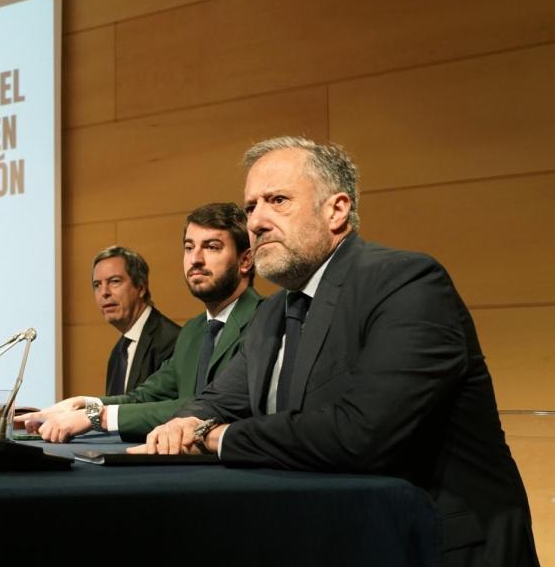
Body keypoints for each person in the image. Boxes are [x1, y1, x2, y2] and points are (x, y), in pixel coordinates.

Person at [135, 137, 539, 566]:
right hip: (338, 537)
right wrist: (186, 423)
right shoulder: (274, 311)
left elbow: (363, 433)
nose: (256, 221)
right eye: (251, 206)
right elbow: (220, 398)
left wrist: (218, 437)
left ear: (337, 210)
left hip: (436, 545)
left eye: (277, 200)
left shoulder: (407, 281)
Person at [20, 203, 261, 442]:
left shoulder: (264, 320)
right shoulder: (194, 331)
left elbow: (206, 405)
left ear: (245, 260)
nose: (195, 259)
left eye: (212, 247)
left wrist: (98, 416)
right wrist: (81, 404)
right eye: (189, 247)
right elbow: (145, 397)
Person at [91, 246, 180, 396]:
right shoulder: (119, 350)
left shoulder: (170, 341)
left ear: (141, 287)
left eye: (114, 281)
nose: (104, 292)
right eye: (97, 285)